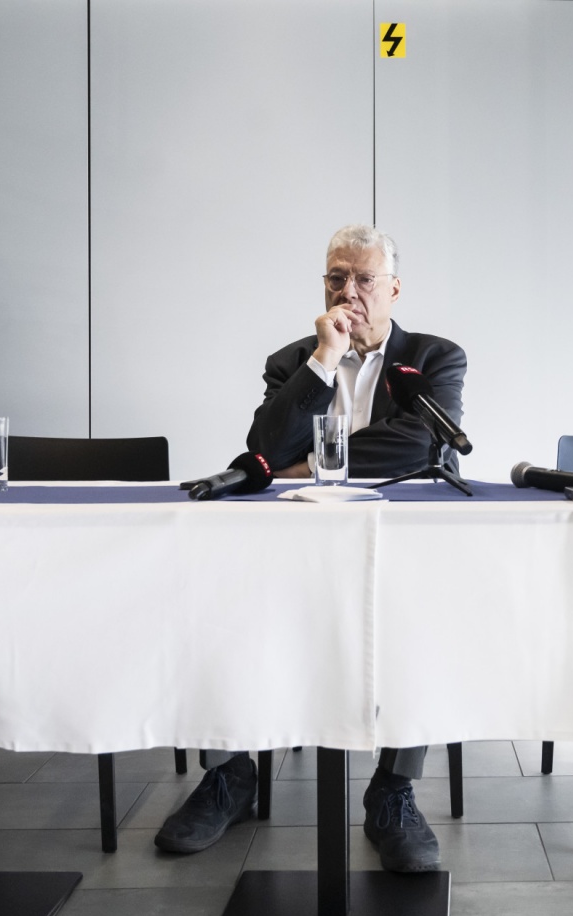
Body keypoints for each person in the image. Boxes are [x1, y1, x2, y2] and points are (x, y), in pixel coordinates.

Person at [153, 224, 467, 873]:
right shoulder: (294, 360)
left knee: (422, 622)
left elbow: (419, 445)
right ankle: (230, 775)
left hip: (399, 535)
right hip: (293, 537)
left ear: (394, 289)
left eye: (364, 278)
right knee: (217, 605)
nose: (349, 291)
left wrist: (308, 464)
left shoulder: (434, 358)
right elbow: (266, 446)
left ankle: (392, 791)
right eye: (336, 278)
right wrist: (325, 360)